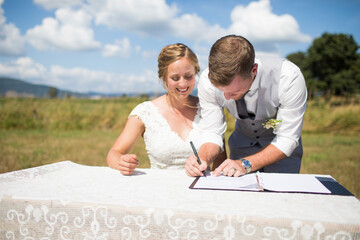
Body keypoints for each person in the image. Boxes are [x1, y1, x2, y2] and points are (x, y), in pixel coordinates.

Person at [185, 35, 307, 177]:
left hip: (281, 151)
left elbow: (287, 138)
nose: (226, 98)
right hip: (241, 145)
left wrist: (245, 164)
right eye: (222, 91)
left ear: (253, 70)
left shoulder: (288, 77)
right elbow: (213, 132)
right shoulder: (207, 82)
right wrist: (203, 158)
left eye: (234, 91)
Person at [107, 43, 226, 175]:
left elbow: (220, 160)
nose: (183, 83)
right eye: (175, 78)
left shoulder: (209, 108)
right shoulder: (145, 112)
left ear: (196, 72)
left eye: (188, 76)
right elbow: (114, 154)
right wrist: (122, 162)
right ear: (163, 78)